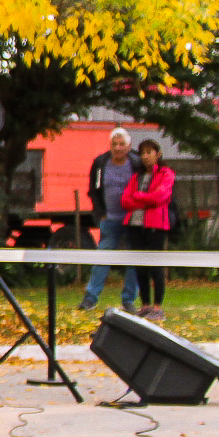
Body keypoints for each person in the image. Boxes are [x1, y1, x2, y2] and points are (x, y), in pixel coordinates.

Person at [79, 127, 142, 313]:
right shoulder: (101, 162)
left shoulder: (136, 163)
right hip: (110, 219)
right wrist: (101, 213)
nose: (118, 147)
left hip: (132, 220)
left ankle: (129, 300)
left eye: (122, 144)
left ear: (129, 146)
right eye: (114, 144)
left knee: (134, 259)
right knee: (102, 257)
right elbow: (93, 190)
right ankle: (90, 298)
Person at [122, 139, 176, 323]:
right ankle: (145, 304)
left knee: (155, 266)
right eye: (142, 153)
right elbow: (126, 200)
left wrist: (139, 197)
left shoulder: (166, 174)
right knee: (140, 266)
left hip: (155, 226)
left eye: (149, 152)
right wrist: (145, 199)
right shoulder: (136, 177)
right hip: (135, 226)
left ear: (157, 154)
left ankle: (158, 307)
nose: (145, 156)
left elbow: (160, 196)